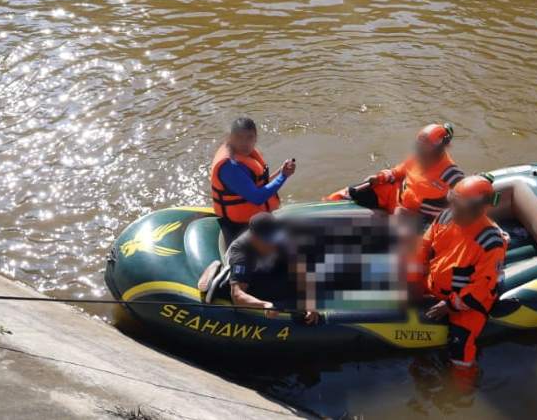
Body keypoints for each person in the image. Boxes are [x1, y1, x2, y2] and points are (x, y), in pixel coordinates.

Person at [414, 174, 507, 389]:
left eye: (459, 206)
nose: (453, 209)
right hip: (435, 282)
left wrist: (450, 305)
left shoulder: (490, 242)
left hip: (467, 300)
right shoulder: (446, 217)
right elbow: (424, 247)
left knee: (460, 344)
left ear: (477, 208)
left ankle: (462, 385)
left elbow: (482, 287)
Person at [326, 123, 463, 222]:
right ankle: (325, 207)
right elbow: (398, 172)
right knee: (352, 191)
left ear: (441, 149)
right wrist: (380, 177)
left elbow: (462, 206)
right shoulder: (418, 157)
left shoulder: (452, 175)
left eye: (425, 148)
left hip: (416, 218)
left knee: (398, 240)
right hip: (395, 196)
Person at [200, 213, 319, 324]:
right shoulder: (241, 253)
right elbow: (237, 296)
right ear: (254, 238)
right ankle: (218, 276)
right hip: (250, 272)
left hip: (268, 266)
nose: (272, 243)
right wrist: (264, 305)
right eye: (267, 239)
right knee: (270, 292)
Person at [210, 117, 295, 241]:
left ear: (256, 138)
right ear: (231, 138)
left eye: (249, 137)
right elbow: (257, 198)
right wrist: (283, 176)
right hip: (240, 224)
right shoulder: (229, 167)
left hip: (254, 217)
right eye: (239, 137)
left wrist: (281, 172)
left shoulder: (242, 154)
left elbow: (254, 184)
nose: (244, 143)